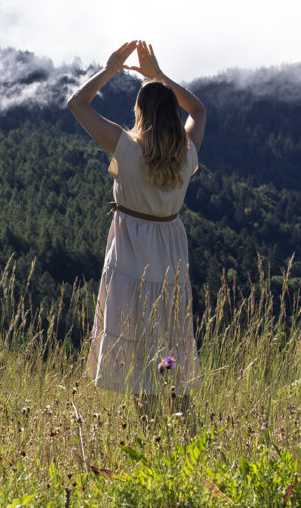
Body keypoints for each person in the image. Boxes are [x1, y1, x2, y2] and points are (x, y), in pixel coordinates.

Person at [67, 40, 206, 407]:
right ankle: (180, 423)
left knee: (136, 344)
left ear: (140, 112)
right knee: (170, 339)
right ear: (172, 115)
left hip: (131, 253)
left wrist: (110, 68)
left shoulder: (127, 148)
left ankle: (150, 424)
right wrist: (159, 76)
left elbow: (77, 104)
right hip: (170, 251)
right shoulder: (186, 154)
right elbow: (199, 110)